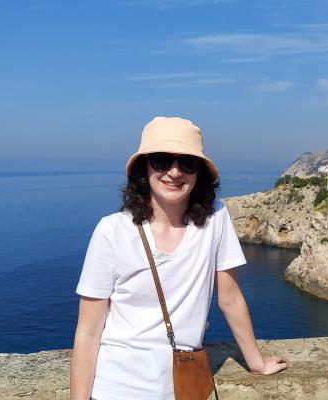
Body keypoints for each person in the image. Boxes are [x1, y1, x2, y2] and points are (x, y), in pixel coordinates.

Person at [70, 116, 287, 400]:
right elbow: (88, 331)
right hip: (117, 388)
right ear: (143, 167)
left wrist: (256, 362)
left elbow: (230, 297)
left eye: (187, 162)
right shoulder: (112, 231)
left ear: (199, 173)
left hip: (184, 387)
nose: (174, 172)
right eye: (161, 160)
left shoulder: (215, 218)